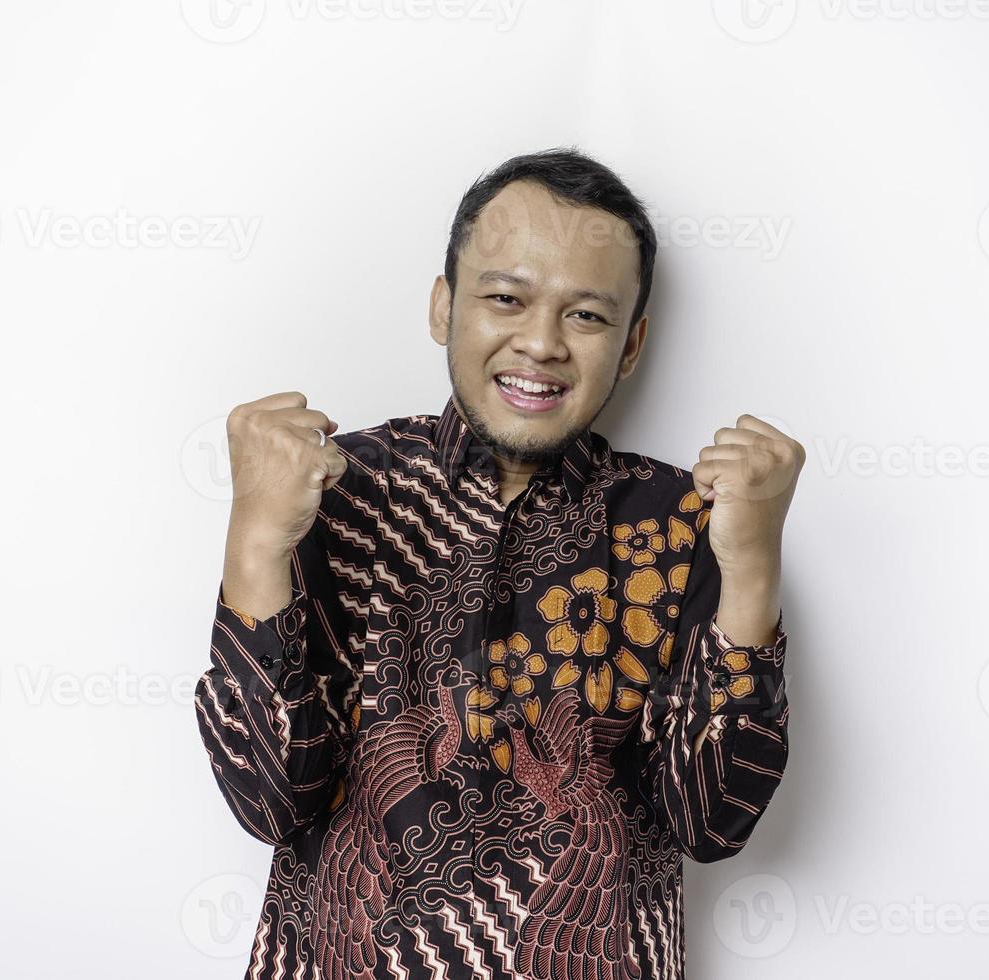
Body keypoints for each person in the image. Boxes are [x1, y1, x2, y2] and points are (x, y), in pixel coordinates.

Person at [194, 147, 805, 980]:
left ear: (631, 346)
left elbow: (711, 824)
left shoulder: (687, 522)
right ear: (445, 306)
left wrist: (753, 574)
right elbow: (271, 800)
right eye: (507, 298)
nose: (542, 343)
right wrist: (255, 544)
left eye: (587, 316)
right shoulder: (329, 491)